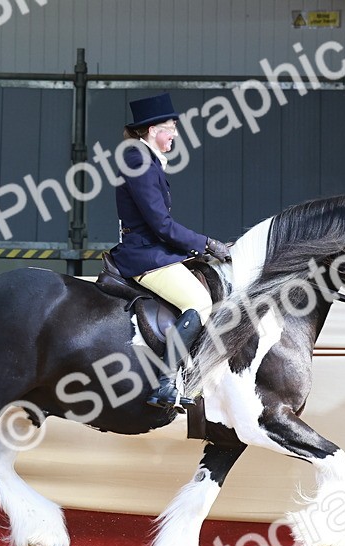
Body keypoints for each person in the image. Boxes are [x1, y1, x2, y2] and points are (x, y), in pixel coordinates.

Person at [108, 93, 232, 409]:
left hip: (153, 250)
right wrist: (207, 244)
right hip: (144, 255)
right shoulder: (139, 160)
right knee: (199, 301)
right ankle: (165, 383)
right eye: (170, 128)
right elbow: (162, 225)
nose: (175, 134)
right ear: (152, 130)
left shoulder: (145, 160)